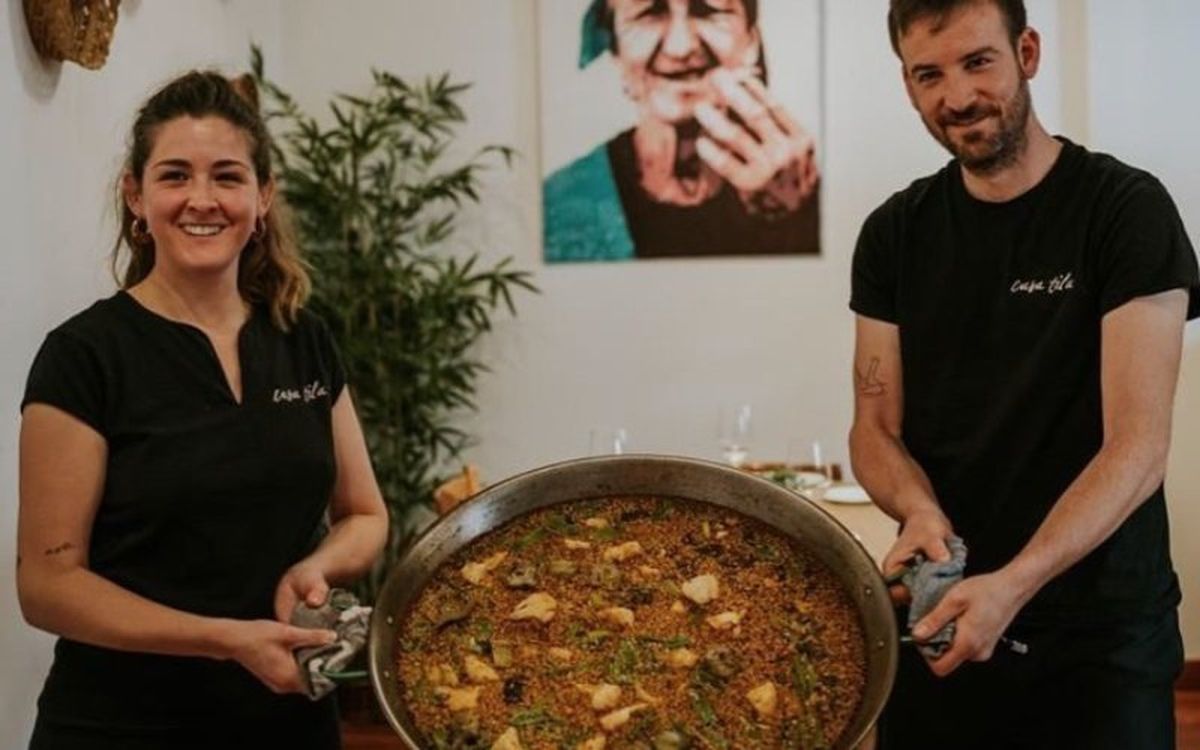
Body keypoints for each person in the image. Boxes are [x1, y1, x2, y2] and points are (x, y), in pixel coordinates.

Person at [848, 1, 1199, 748]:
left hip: (1100, 636)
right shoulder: (893, 233)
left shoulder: (1124, 210)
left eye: (979, 61)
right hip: (942, 616)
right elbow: (874, 426)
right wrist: (915, 508)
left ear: (1027, 53)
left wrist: (1015, 582)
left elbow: (1137, 447)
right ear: (908, 87)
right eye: (929, 74)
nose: (958, 97)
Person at [16, 71, 388, 749]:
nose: (202, 200)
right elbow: (47, 584)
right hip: (121, 726)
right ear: (135, 195)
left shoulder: (303, 339)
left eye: (226, 176)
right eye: (175, 175)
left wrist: (318, 568)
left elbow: (364, 515)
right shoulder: (84, 355)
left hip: (289, 722)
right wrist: (222, 640)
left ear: (263, 196)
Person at [543, 0, 821, 261]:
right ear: (616, 53)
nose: (681, 46)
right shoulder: (557, 203)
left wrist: (794, 218)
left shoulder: (804, 191)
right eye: (649, 13)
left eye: (708, 9)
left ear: (751, 41)